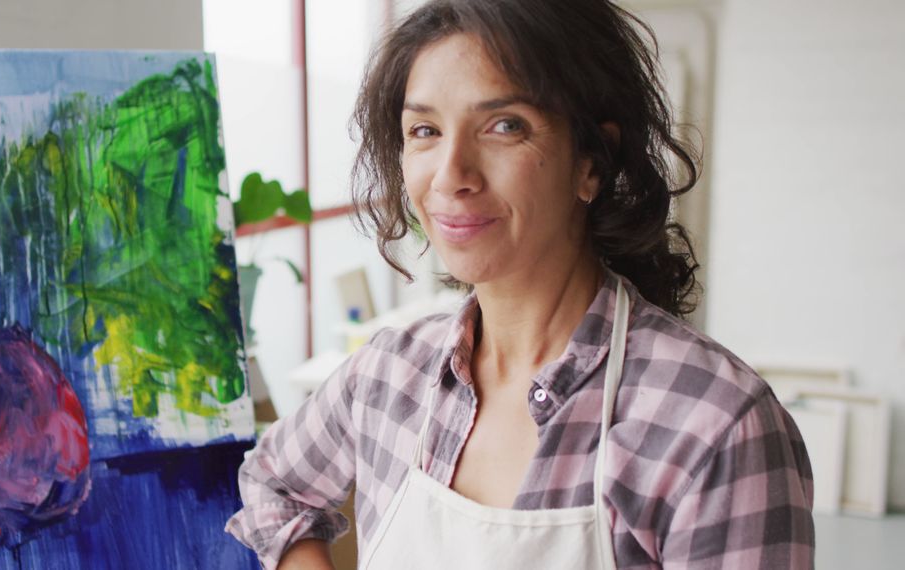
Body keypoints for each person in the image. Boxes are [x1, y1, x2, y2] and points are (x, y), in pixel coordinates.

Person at [226, 0, 814, 568]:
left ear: (591, 160)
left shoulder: (714, 424)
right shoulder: (385, 377)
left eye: (504, 126)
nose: (452, 175)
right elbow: (272, 485)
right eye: (425, 130)